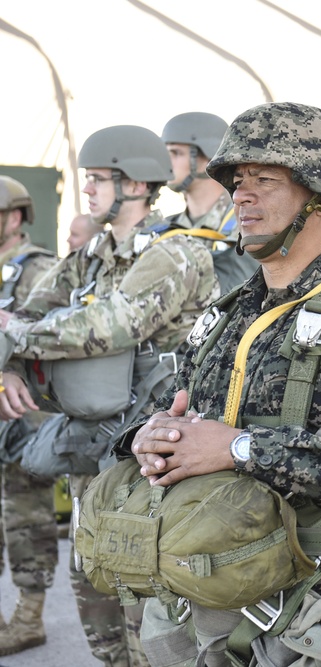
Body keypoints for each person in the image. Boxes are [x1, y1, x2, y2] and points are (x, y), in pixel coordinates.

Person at [123, 101, 321, 667]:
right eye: (237, 181)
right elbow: (165, 408)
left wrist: (239, 448)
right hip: (215, 586)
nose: (241, 196)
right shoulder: (227, 316)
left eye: (265, 180)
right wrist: (150, 436)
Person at [0, 125, 218, 667]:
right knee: (91, 585)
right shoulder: (91, 255)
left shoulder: (179, 253)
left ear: (138, 186)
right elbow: (35, 307)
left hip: (152, 454)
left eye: (99, 180)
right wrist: (6, 364)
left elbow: (111, 324)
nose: (90, 190)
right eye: (89, 180)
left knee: (143, 595)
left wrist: (12, 337)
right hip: (93, 447)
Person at [0, 176, 59, 656]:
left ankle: (28, 616)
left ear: (14, 218)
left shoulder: (39, 268)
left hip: (25, 417)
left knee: (27, 520)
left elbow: (50, 331)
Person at [161, 111, 258, 292]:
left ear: (209, 155)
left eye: (175, 153)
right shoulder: (167, 228)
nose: (166, 163)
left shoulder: (246, 220)